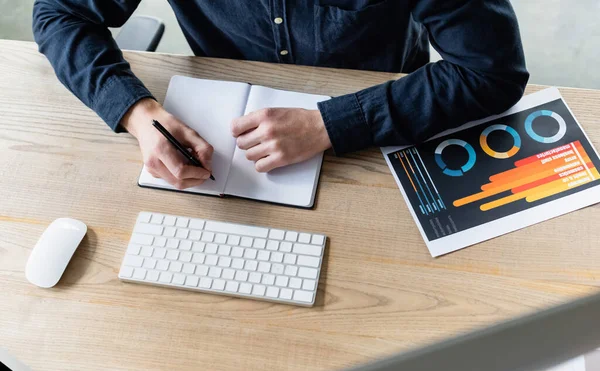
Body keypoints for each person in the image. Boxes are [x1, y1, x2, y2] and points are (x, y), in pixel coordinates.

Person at [33, 0, 529, 189]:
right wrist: (137, 113)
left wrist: (330, 123)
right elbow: (59, 11)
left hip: (384, 136)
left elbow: (493, 71)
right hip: (224, 136)